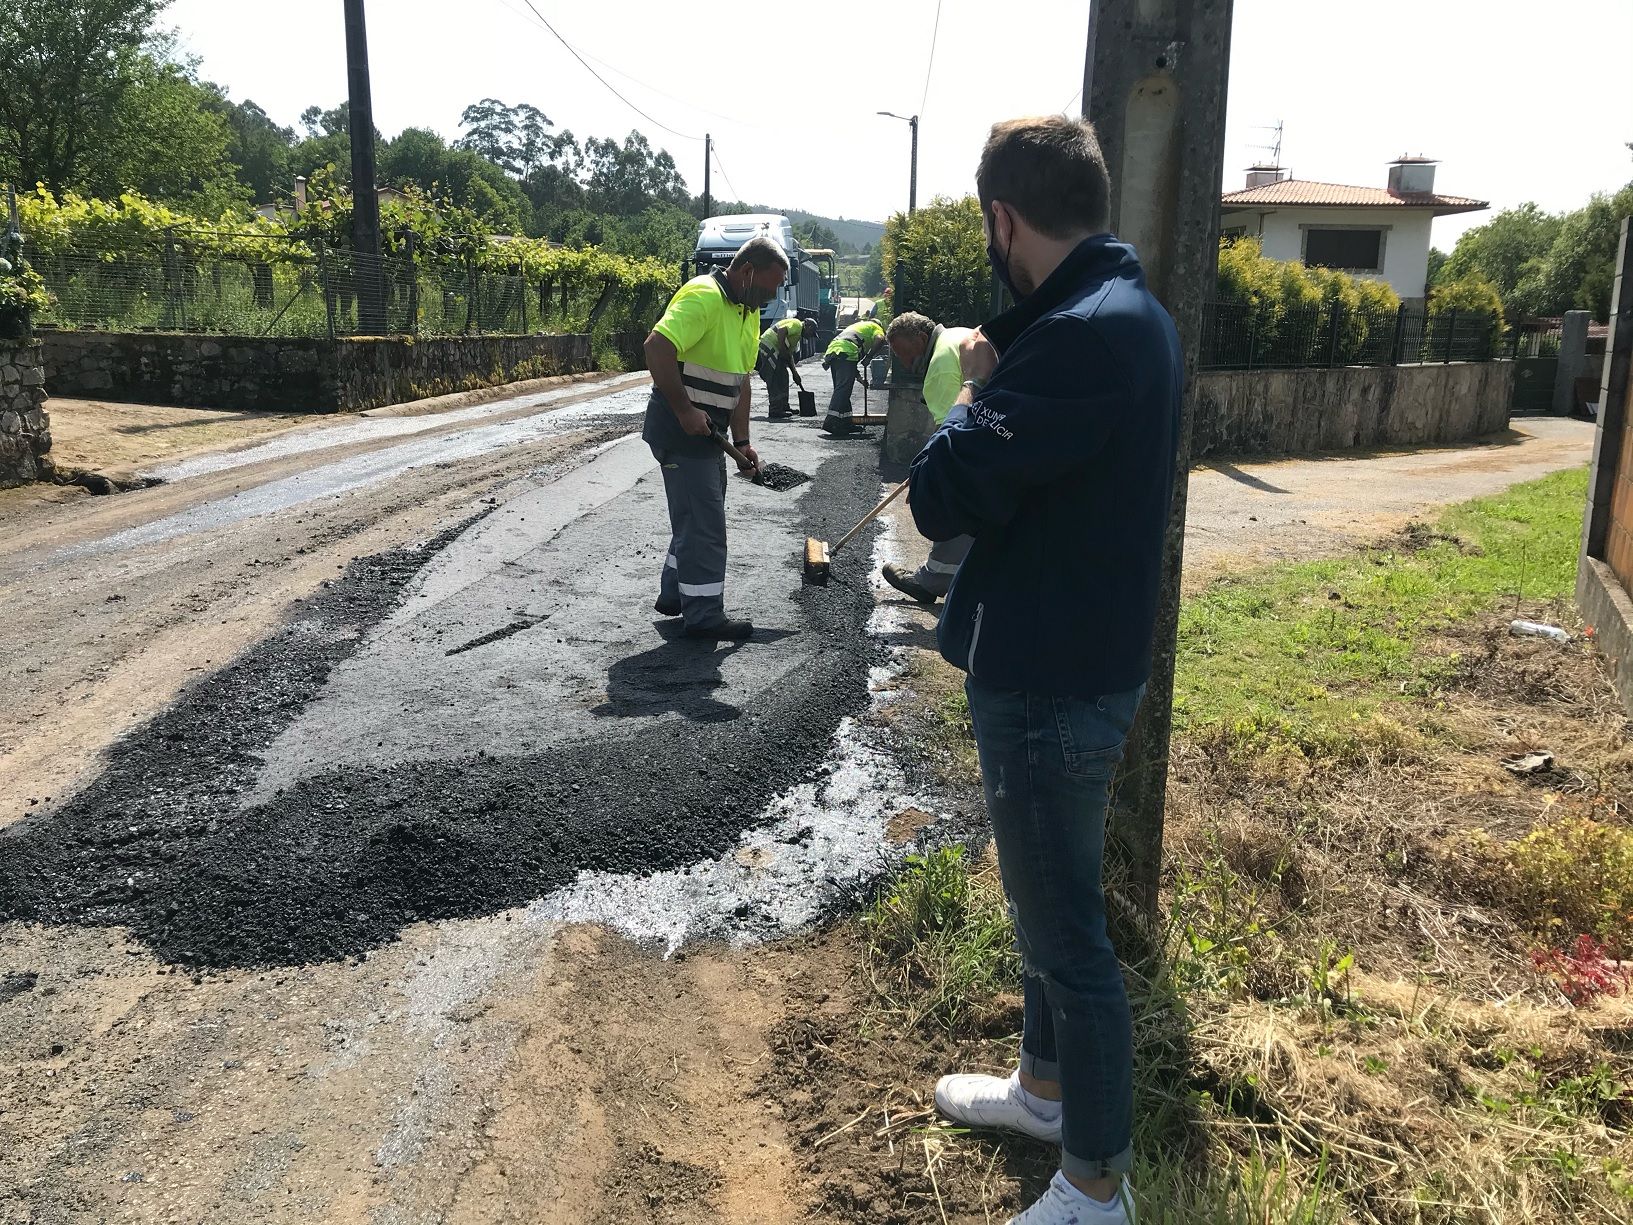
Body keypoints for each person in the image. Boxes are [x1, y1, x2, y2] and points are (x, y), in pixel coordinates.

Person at [907, 115, 1183, 1225]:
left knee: (1064, 928)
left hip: (1050, 676)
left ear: (1002, 219)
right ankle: (1043, 1091)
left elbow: (940, 497)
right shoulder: (1115, 315)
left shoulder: (1082, 335)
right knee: (1040, 908)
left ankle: (1094, 1186)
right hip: (1063, 654)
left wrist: (971, 387)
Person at [641, 237, 787, 641]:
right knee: (706, 525)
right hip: (679, 431)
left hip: (710, 436)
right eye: (770, 286)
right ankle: (703, 615)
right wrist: (685, 410)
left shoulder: (747, 311)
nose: (772, 296)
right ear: (747, 272)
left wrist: (742, 442)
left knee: (697, 516)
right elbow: (657, 348)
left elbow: (739, 382)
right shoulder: (703, 296)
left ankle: (675, 596)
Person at [878, 310, 974, 604]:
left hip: (979, 442)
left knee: (950, 493)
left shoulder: (941, 366)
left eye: (903, 353)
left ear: (920, 339)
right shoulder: (956, 334)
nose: (903, 363)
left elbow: (952, 434)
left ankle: (933, 579)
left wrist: (929, 473)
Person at [820, 316, 887, 437]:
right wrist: (869, 357)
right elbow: (880, 339)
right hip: (846, 352)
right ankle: (831, 421)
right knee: (843, 390)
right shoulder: (876, 327)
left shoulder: (858, 328)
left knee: (843, 389)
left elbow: (850, 367)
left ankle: (845, 422)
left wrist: (860, 379)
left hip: (834, 351)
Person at [755, 314, 810, 420]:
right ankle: (775, 409)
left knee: (784, 376)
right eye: (811, 332)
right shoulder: (797, 324)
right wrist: (782, 348)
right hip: (769, 346)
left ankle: (784, 406)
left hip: (776, 349)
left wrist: (795, 373)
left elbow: (789, 356)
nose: (810, 336)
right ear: (808, 326)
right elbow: (781, 331)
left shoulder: (796, 337)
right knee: (774, 377)